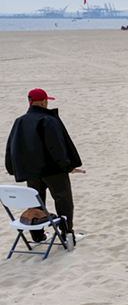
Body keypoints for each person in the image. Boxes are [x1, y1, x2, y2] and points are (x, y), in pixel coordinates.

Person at [5, 89, 85, 249]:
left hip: (31, 172)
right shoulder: (47, 120)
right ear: (42, 102)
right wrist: (67, 166)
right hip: (53, 171)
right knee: (63, 201)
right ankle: (67, 234)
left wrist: (11, 167)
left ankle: (38, 236)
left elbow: (11, 147)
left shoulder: (20, 121)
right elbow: (56, 147)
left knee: (36, 201)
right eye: (46, 101)